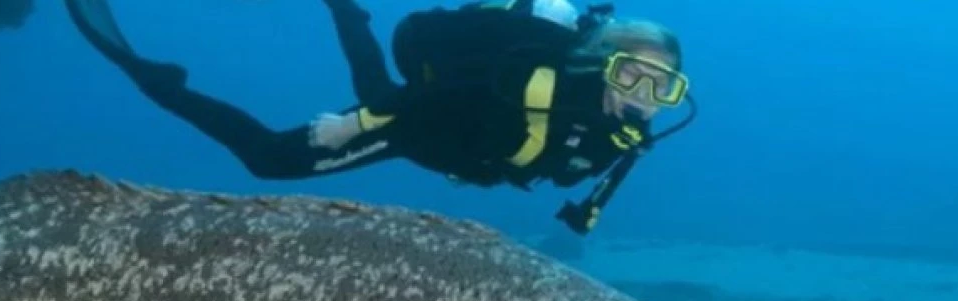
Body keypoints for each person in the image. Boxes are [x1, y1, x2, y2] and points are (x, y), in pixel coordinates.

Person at [64, 0, 695, 235]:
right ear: (602, 64)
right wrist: (356, 125)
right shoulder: (539, 80)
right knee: (270, 159)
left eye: (660, 86)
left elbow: (577, 183)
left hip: (456, 144)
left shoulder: (628, 135)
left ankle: (346, 8)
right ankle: (156, 81)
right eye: (630, 74)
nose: (641, 95)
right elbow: (440, 98)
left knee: (371, 84)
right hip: (418, 124)